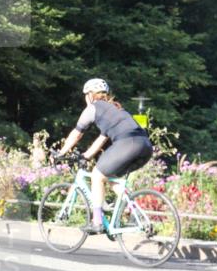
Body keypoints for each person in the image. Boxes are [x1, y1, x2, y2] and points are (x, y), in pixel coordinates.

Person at [55, 78, 153, 234]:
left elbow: (77, 134)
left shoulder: (92, 108)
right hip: (145, 146)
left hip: (127, 143)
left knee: (96, 175)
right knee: (113, 178)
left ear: (90, 95)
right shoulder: (116, 110)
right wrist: (85, 156)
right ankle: (136, 215)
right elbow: (101, 139)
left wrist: (61, 153)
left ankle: (97, 222)